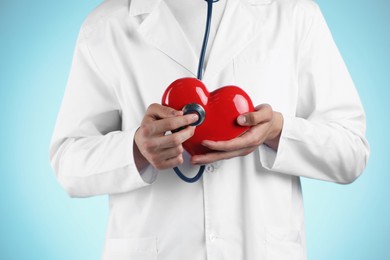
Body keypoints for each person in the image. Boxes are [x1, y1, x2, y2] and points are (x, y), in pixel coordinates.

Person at [49, 0, 369, 259]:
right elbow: (67, 161)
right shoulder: (106, 26)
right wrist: (135, 149)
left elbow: (351, 151)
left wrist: (277, 131)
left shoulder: (295, 15)